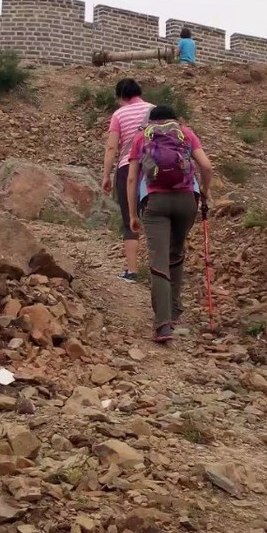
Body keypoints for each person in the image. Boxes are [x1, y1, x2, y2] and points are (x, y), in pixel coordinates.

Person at [127, 105, 213, 343]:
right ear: (175, 120)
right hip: (187, 201)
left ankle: (163, 324)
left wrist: (133, 214)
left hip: (156, 202)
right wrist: (204, 191)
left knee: (158, 261)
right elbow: (206, 167)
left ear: (151, 121)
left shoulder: (141, 137)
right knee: (176, 253)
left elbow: (132, 178)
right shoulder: (186, 133)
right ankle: (174, 311)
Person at [101, 78, 153, 280]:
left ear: (121, 96)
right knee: (154, 217)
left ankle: (132, 271)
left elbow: (112, 147)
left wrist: (106, 174)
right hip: (154, 170)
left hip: (127, 169)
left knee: (129, 218)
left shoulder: (119, 114)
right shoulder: (155, 110)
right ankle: (161, 269)